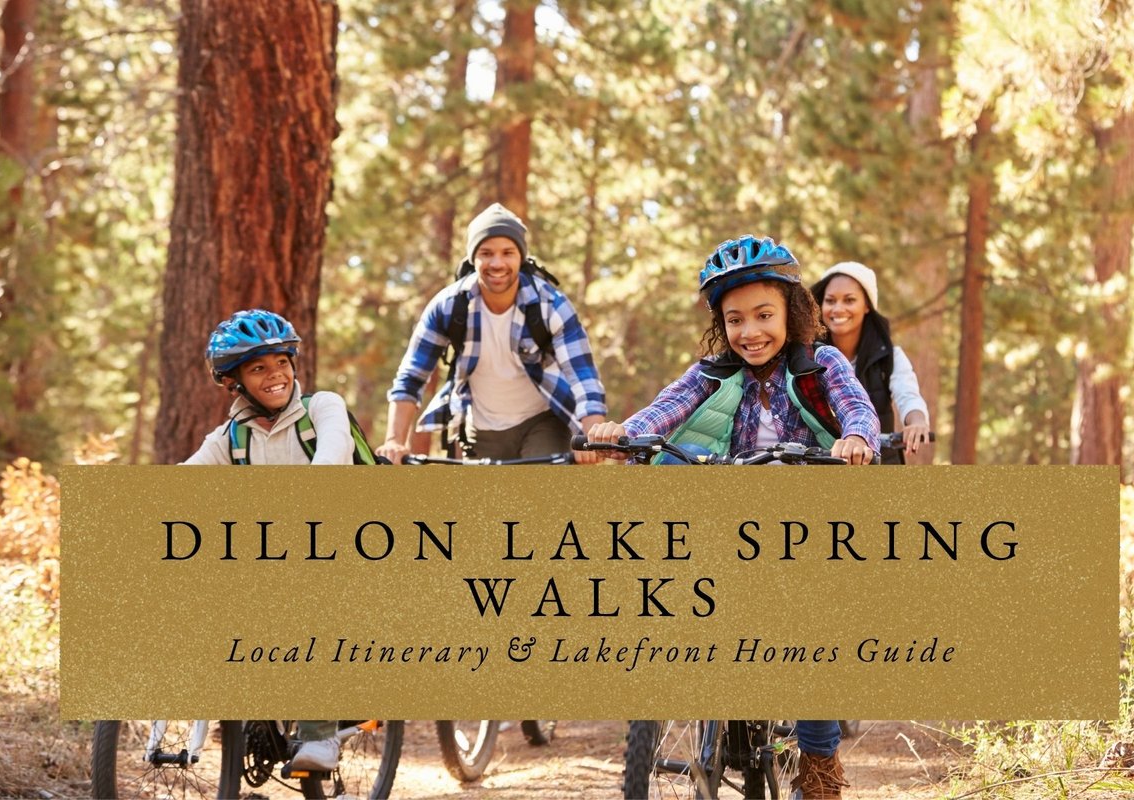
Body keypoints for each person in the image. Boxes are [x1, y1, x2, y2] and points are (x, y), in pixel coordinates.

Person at [587, 234, 880, 798]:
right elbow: (665, 408)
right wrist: (623, 433)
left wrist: (858, 439)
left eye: (764, 315)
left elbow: (856, 408)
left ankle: (819, 769)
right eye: (736, 319)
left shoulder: (822, 362)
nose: (751, 332)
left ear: (791, 312)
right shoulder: (714, 373)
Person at [183, 308, 347, 772]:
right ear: (234, 381)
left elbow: (333, 457)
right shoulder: (230, 438)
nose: (275, 375)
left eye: (281, 362)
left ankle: (319, 734)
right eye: (258, 368)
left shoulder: (322, 408)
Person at [376, 203, 607, 464]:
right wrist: (395, 441)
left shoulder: (551, 305)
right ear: (473, 258)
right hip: (481, 430)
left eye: (507, 252)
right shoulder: (449, 306)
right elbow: (411, 376)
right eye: (486, 253)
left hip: (543, 422)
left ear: (520, 256)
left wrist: (592, 438)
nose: (497, 263)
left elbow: (584, 379)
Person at [812, 262, 930, 464]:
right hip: (823, 463)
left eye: (849, 300)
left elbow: (908, 395)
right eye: (830, 301)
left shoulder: (889, 356)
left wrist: (917, 422)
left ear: (867, 305)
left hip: (880, 461)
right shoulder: (808, 355)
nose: (838, 308)